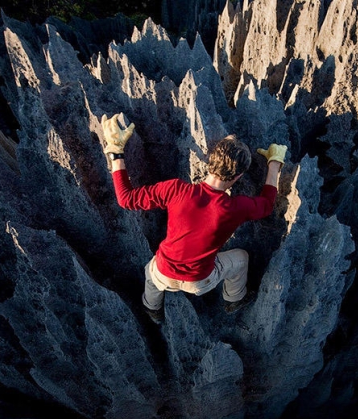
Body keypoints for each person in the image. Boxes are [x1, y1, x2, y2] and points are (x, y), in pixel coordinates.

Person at [101, 112, 286, 324]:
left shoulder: (176, 190)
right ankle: (234, 299)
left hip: (163, 272)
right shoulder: (236, 208)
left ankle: (152, 308)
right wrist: (274, 164)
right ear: (238, 177)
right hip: (200, 281)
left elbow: (126, 199)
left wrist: (116, 151)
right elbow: (266, 205)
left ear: (210, 162)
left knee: (151, 275)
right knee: (241, 258)